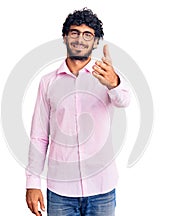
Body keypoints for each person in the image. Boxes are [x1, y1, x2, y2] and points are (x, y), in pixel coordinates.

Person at [26, 8, 130, 216]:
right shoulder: (48, 82)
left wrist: (114, 84)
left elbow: (123, 101)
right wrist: (32, 182)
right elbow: (39, 136)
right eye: (74, 33)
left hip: (102, 188)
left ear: (95, 41)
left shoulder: (106, 75)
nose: (80, 39)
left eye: (87, 34)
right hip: (60, 191)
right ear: (65, 38)